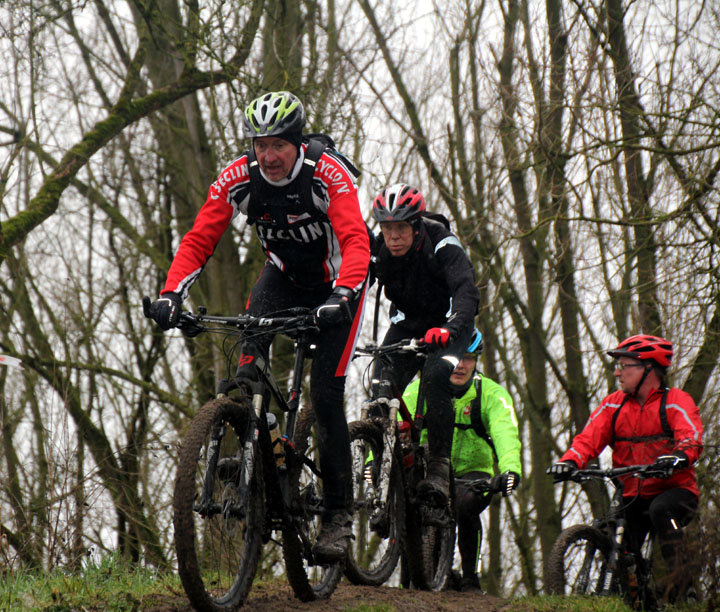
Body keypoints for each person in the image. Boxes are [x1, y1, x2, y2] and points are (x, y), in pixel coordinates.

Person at [146, 90, 370, 562]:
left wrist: (343, 295)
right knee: (247, 369)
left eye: (278, 146)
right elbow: (200, 235)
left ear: (297, 142)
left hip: (337, 284)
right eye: (260, 145)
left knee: (325, 394)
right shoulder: (239, 178)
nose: (268, 156)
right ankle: (260, 446)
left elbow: (356, 241)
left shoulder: (326, 173)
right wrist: (171, 294)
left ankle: (337, 513)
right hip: (283, 278)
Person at [547, 334, 703, 602]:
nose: (617, 372)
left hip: (675, 490)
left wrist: (678, 456)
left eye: (625, 365)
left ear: (649, 369)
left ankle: (683, 587)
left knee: (661, 509)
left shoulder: (675, 401)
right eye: (617, 365)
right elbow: (587, 439)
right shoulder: (613, 405)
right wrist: (569, 462)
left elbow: (691, 437)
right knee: (618, 542)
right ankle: (632, 596)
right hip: (633, 493)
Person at [370, 183, 480, 505]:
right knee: (381, 387)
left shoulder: (441, 243)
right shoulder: (379, 250)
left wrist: (450, 327)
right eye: (387, 228)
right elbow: (356, 283)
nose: (394, 237)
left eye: (401, 227)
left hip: (451, 324)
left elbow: (466, 290)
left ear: (416, 225)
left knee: (434, 379)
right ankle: (385, 466)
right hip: (408, 325)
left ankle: (439, 467)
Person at [401, 330, 522, 592]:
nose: (460, 365)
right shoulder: (418, 392)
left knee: (466, 506)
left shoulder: (490, 394)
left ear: (477, 361)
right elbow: (390, 431)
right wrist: (372, 462)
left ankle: (470, 579)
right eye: (454, 357)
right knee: (410, 502)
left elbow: (505, 432)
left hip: (472, 472)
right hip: (431, 468)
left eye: (467, 358)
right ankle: (414, 575)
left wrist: (510, 469)